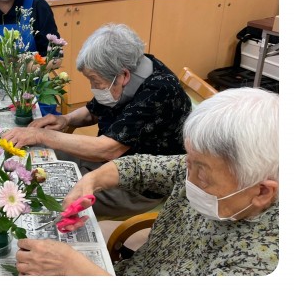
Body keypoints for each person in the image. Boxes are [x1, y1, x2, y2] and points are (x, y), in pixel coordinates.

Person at [15, 87, 278, 276]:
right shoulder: (204, 171)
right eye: (189, 160)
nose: (187, 174)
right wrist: (91, 181)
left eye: (202, 171)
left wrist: (78, 270)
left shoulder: (261, 263)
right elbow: (140, 167)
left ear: (262, 192)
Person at [4, 23, 190, 216]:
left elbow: (107, 149)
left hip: (136, 185)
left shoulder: (160, 91)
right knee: (33, 161)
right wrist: (66, 119)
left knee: (43, 197)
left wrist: (41, 135)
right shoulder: (131, 69)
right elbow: (94, 110)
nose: (93, 87)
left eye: (95, 80)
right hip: (108, 162)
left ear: (124, 75)